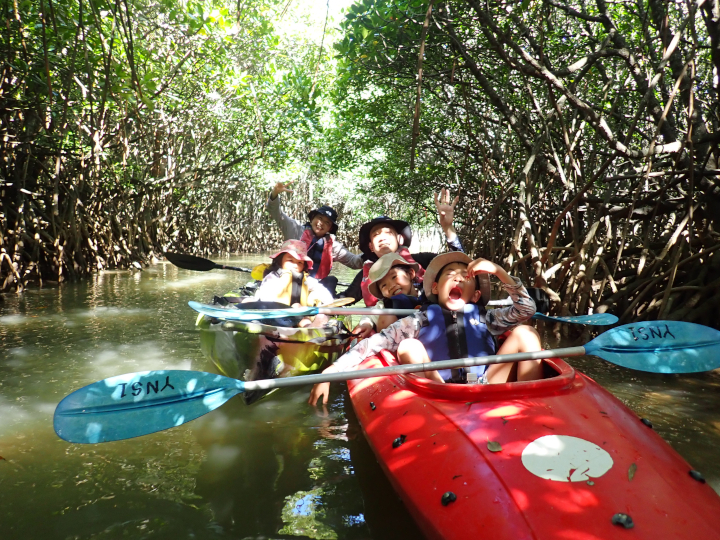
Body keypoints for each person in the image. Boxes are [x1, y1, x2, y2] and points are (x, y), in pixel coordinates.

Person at [308, 252, 543, 406]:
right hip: (437, 390)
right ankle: (437, 402)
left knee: (527, 333)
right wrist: (330, 372)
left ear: (477, 295)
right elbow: (373, 344)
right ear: (434, 287)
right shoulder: (417, 320)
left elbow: (526, 309)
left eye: (465, 277)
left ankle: (534, 405)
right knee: (409, 345)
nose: (458, 280)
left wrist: (499, 272)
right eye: (450, 276)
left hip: (487, 385)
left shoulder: (489, 318)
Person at [267, 180, 363, 295]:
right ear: (312, 219)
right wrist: (275, 193)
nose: (321, 223)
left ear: (330, 229)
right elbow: (275, 213)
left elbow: (354, 262)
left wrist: (371, 254)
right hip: (286, 281)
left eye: (327, 222)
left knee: (331, 281)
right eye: (320, 218)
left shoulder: (334, 247)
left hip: (313, 286)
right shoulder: (294, 229)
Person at [245, 240, 333, 328]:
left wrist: (330, 303)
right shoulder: (273, 276)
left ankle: (310, 327)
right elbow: (266, 295)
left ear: (304, 265)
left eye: (300, 262)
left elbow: (320, 289)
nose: (295, 265)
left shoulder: (306, 279)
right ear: (280, 261)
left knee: (299, 310)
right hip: (274, 313)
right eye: (290, 260)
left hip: (297, 314)